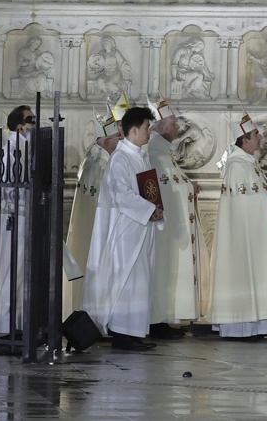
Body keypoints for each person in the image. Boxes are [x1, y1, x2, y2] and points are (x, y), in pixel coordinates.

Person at [84, 105, 164, 351]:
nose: (149, 132)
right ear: (134, 130)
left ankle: (134, 332)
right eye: (147, 127)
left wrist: (156, 208)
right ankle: (121, 334)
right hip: (127, 231)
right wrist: (149, 210)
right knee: (126, 280)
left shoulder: (141, 155)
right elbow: (121, 194)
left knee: (140, 280)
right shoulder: (120, 158)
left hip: (141, 227)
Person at [207, 115, 267, 339]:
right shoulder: (236, 166)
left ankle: (256, 327)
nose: (260, 137)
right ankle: (241, 327)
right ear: (244, 141)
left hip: (253, 236)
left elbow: (257, 195)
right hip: (243, 239)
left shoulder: (250, 164)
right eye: (255, 135)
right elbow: (243, 204)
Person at [145, 100, 204, 337]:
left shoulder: (164, 153)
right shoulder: (154, 153)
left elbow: (174, 184)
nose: (178, 128)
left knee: (167, 271)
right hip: (161, 228)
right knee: (160, 270)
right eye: (173, 124)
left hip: (169, 228)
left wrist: (189, 186)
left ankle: (163, 319)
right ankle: (156, 321)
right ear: (160, 128)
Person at [0, 105, 36, 346]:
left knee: (18, 273)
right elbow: (7, 190)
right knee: (7, 270)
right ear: (20, 127)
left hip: (20, 217)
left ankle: (15, 323)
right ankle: (4, 325)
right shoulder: (11, 150)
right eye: (31, 120)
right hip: (9, 219)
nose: (35, 125)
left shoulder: (24, 148)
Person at [67, 113, 120, 313]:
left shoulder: (95, 156)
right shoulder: (100, 162)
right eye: (119, 138)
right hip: (96, 229)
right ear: (106, 141)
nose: (121, 143)